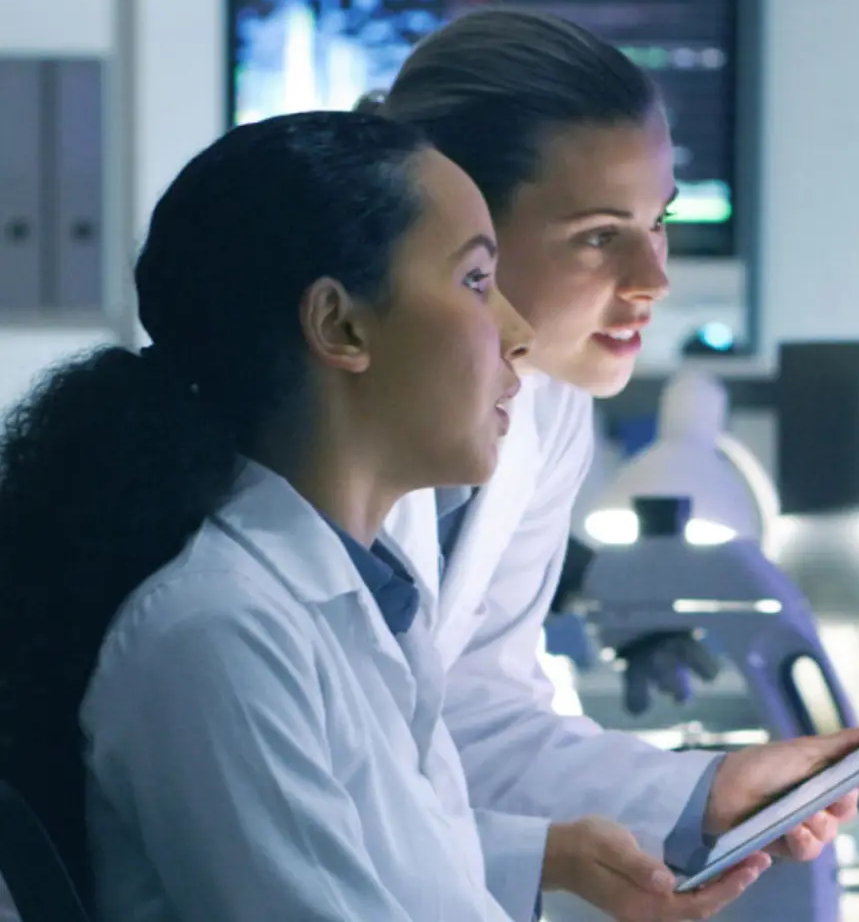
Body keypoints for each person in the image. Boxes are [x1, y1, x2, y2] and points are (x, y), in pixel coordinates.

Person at [0, 111, 771, 921]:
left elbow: (391, 852)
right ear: (341, 325)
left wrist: (555, 855)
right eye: (477, 281)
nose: (516, 333)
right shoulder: (221, 632)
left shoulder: (353, 602)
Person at [365, 9, 859, 920]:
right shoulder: (305, 458)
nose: (654, 277)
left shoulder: (549, 405)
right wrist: (545, 857)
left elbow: (473, 717)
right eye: (601, 235)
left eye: (660, 222)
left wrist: (708, 791)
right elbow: (331, 796)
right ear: (456, 234)